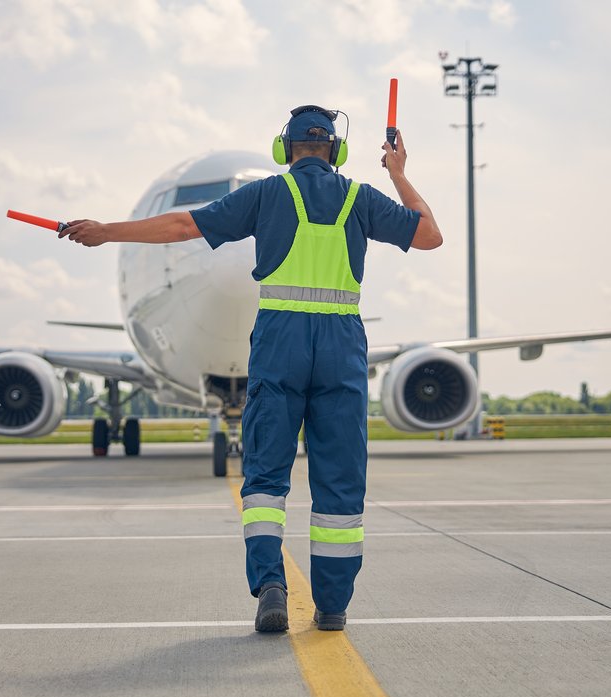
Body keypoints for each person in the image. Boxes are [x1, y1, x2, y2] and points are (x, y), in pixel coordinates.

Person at [60, 105, 442, 633]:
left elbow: (180, 226)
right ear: (339, 151)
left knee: (264, 477)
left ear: (283, 151)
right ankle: (332, 607)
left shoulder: (267, 194)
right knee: (340, 480)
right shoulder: (360, 197)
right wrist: (398, 173)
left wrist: (107, 231)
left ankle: (270, 588)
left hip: (280, 340)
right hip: (341, 347)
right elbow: (429, 235)